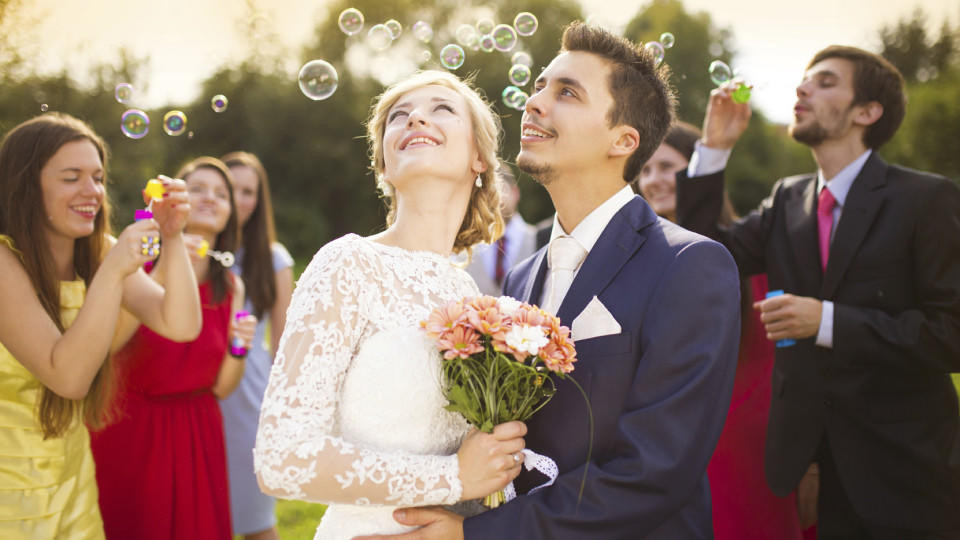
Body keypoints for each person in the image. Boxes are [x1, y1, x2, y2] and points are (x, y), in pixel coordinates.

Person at [367, 22, 742, 539]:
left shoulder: (690, 265)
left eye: (566, 92)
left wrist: (472, 535)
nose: (535, 102)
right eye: (539, 85)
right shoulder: (521, 278)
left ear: (623, 140)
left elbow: (654, 471)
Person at [675, 45, 960, 538]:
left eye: (825, 81)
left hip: (909, 473)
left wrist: (826, 321)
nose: (802, 88)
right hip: (816, 474)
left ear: (867, 112)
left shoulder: (926, 199)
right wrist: (715, 148)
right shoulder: (789, 199)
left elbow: (951, 334)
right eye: (804, 80)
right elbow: (706, 255)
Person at [253, 70, 528, 540]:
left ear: (480, 157)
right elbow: (282, 458)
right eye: (398, 117)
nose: (416, 117)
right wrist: (453, 478)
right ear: (383, 164)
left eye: (441, 108)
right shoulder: (348, 264)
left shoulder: (479, 306)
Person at [0, 113, 201, 539]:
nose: (91, 192)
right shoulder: (4, 262)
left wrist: (173, 236)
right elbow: (68, 377)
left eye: (97, 177)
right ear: (24, 186)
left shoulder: (97, 251)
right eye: (71, 177)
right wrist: (111, 273)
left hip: (71, 482)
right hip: (9, 491)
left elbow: (180, 324)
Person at [636, 121, 805, 540]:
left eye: (668, 166)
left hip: (740, 436)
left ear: (699, 175)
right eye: (647, 169)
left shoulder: (743, 253)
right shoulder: (632, 257)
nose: (655, 180)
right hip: (658, 435)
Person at [90, 156, 257, 540]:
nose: (210, 198)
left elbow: (220, 388)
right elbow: (108, 344)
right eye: (196, 189)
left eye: (221, 194)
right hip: (130, 430)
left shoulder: (232, 287)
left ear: (231, 213)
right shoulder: (135, 264)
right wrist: (165, 261)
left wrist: (239, 348)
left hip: (196, 434)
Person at [218, 151, 294, 540]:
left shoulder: (273, 259)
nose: (238, 199)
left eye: (248, 191)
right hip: (196, 396)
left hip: (248, 405)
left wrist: (283, 418)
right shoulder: (187, 250)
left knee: (256, 523)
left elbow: (285, 347)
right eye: (230, 188)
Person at [465, 162, 537, 295]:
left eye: (498, 190)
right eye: (485, 193)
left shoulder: (541, 240)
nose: (492, 199)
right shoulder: (466, 250)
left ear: (515, 193)